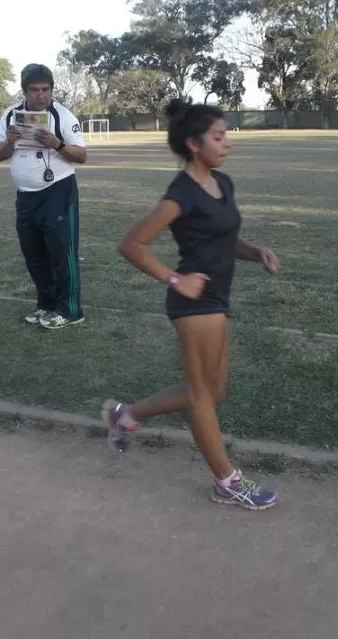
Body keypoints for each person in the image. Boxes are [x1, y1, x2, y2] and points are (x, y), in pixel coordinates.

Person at [105, 97, 281, 511]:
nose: (227, 144)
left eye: (226, 136)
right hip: (195, 304)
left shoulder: (223, 184)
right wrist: (174, 278)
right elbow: (131, 244)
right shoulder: (180, 194)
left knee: (212, 391)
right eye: (219, 137)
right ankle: (226, 481)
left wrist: (256, 253)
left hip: (217, 297)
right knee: (202, 395)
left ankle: (125, 415)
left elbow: (222, 239)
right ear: (193, 144)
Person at [0, 64, 88, 330]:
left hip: (58, 191)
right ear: (24, 90)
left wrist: (56, 144)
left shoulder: (63, 116)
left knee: (62, 252)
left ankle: (70, 309)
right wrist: (11, 142)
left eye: (46, 89)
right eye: (34, 90)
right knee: (33, 253)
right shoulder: (10, 115)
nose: (41, 95)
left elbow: (82, 156)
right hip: (25, 195)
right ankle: (46, 303)